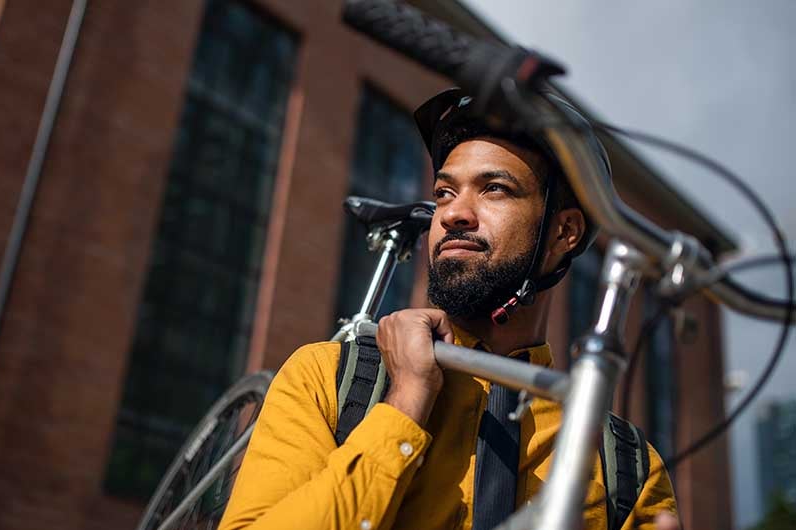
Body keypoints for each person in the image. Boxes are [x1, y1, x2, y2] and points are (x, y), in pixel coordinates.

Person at [218, 89, 678, 530]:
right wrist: (405, 405)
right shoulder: (325, 379)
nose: (453, 214)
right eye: (444, 193)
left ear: (564, 233)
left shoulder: (626, 467)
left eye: (494, 189)